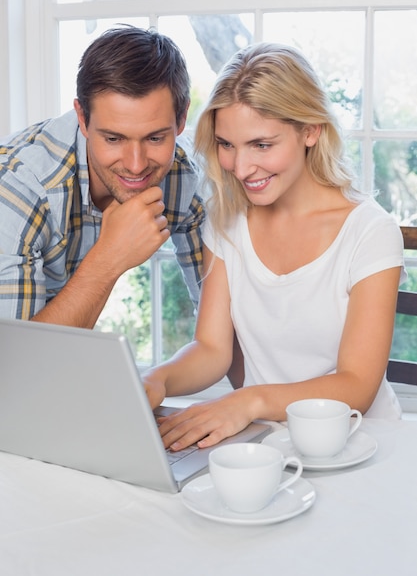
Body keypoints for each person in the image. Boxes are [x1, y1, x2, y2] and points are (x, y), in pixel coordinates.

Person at [144, 42, 407, 452]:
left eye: (262, 145)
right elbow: (212, 349)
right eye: (227, 145)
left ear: (310, 130)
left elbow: (357, 385)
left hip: (362, 446)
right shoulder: (227, 217)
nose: (242, 168)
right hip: (265, 443)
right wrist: (155, 379)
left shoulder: (369, 232)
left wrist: (249, 400)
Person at [0, 25, 204, 327]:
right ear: (82, 118)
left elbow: (221, 326)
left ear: (181, 119)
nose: (136, 166)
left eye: (155, 138)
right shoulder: (22, 188)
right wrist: (109, 257)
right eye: (113, 139)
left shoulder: (183, 176)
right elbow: (12, 364)